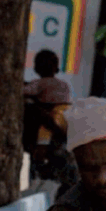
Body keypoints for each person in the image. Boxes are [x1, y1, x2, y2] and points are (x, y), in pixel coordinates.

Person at [23, 50, 74, 188]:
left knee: (43, 134)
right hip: (66, 117)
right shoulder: (64, 84)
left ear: (37, 67)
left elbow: (25, 91)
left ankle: (41, 151)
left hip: (51, 118)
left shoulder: (39, 83)